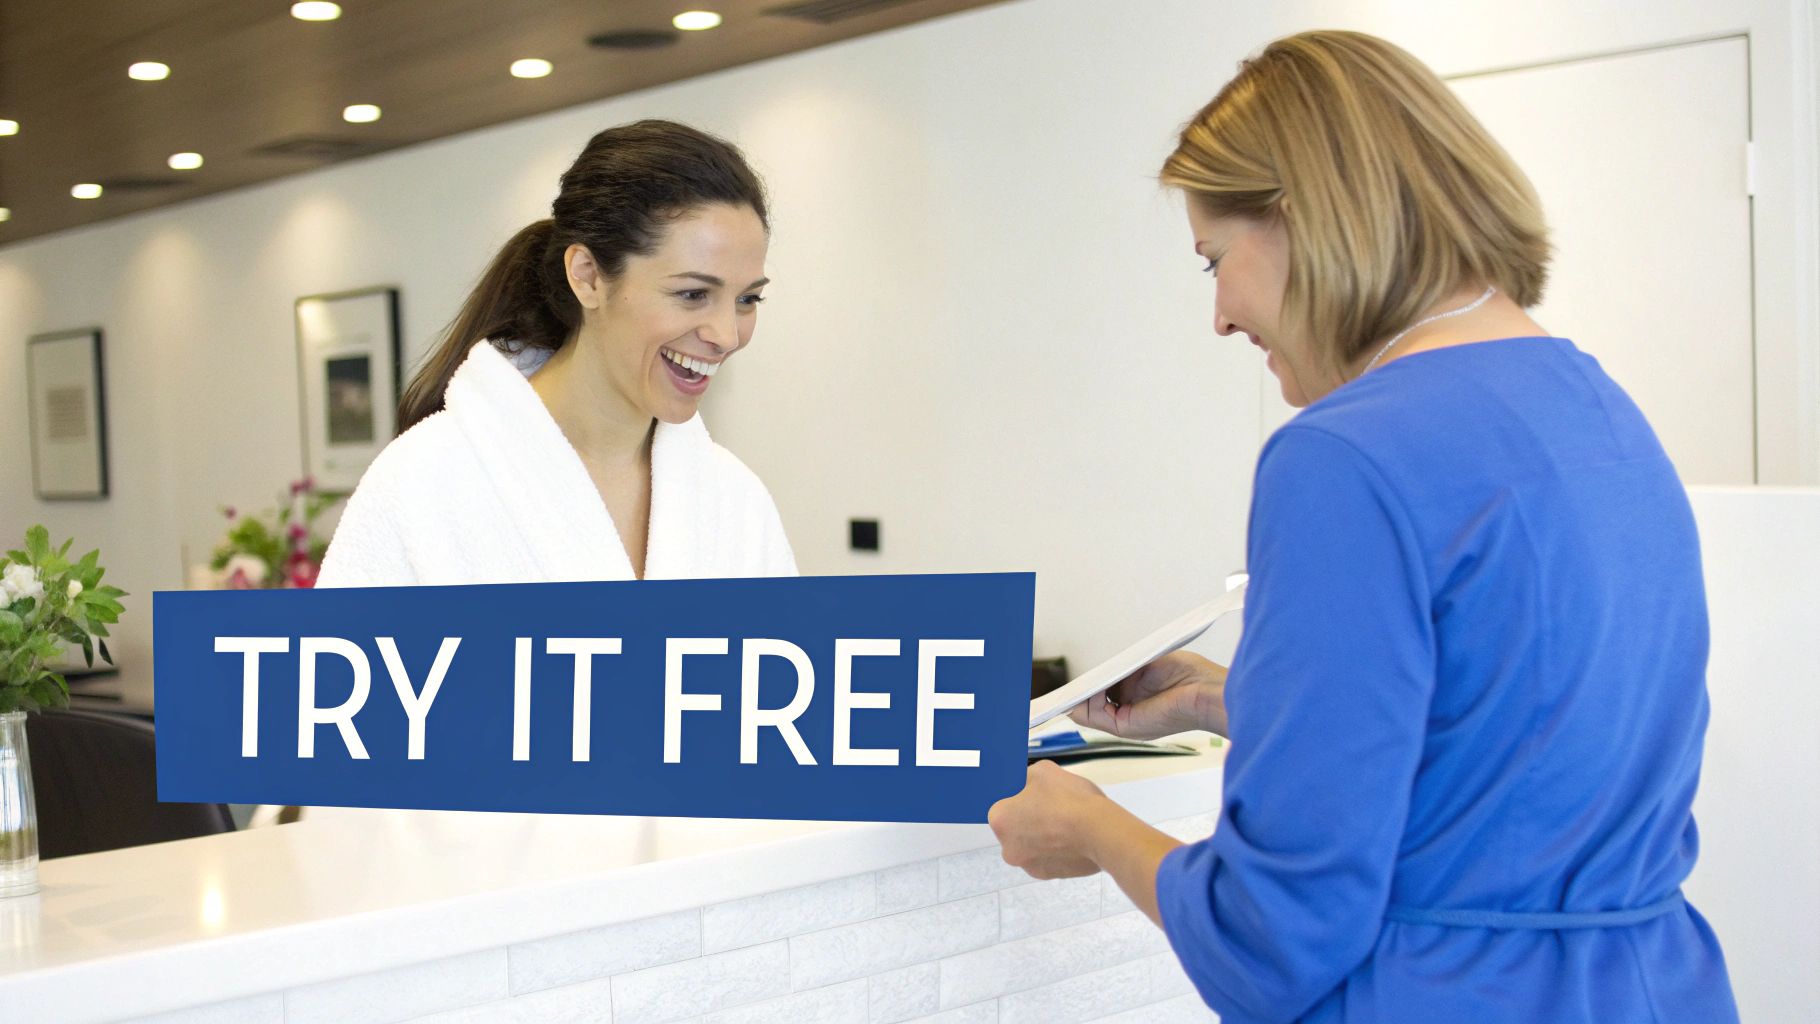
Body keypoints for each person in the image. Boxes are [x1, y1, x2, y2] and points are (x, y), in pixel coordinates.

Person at [987, 30, 1737, 1024]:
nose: (1216, 314)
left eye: (1214, 259)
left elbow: (1271, 936)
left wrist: (1087, 825)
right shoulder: (1600, 411)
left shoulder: (1342, 456)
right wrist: (1237, 701)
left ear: (1300, 219)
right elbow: (1512, 752)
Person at [316, 119, 796, 589]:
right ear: (587, 275)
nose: (727, 335)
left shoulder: (736, 501)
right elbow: (342, 664)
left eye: (747, 299)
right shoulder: (424, 482)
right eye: (693, 294)